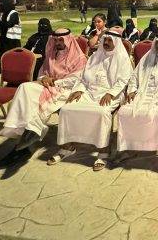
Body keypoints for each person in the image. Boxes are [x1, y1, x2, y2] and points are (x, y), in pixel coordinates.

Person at [0, 29, 87, 166]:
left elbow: (77, 79)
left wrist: (55, 81)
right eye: (55, 40)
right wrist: (44, 78)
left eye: (61, 40)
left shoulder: (79, 57)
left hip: (67, 90)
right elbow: (42, 72)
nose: (57, 42)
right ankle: (24, 131)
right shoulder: (51, 54)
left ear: (68, 40)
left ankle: (24, 143)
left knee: (38, 106)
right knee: (24, 87)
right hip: (48, 86)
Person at [49, 28, 132, 170]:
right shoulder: (94, 56)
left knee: (102, 112)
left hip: (111, 93)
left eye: (109, 40)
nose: (106, 42)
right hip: (89, 91)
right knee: (67, 109)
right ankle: (68, 147)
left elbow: (123, 81)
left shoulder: (122, 58)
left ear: (116, 42)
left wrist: (111, 93)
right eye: (105, 39)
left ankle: (103, 151)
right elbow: (83, 78)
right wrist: (79, 90)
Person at [0, 0, 22, 64]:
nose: (1, 5)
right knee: (3, 54)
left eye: (2, 4)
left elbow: (10, 24)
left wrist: (1, 24)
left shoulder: (14, 13)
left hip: (12, 38)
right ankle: (2, 67)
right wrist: (3, 24)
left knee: (13, 55)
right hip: (3, 37)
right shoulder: (1, 14)